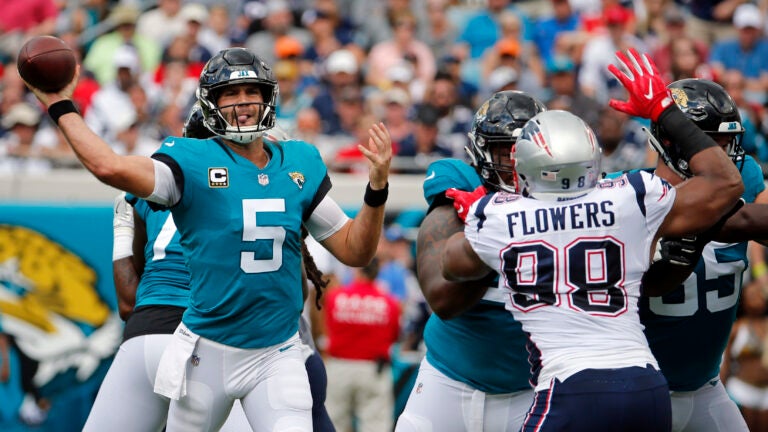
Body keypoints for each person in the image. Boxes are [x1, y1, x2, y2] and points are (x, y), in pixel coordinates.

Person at [22, 46, 392, 431]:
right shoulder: (190, 159)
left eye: (252, 91)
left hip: (276, 353)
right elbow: (108, 166)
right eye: (230, 94)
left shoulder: (299, 161)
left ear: (268, 97)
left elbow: (355, 250)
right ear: (210, 103)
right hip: (206, 350)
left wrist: (376, 189)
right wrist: (62, 105)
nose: (243, 102)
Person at [438, 49, 745, 430]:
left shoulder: (498, 215)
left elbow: (451, 264)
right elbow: (726, 183)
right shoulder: (630, 195)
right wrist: (664, 110)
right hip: (646, 383)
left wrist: (476, 216)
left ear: (525, 164)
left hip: (568, 387)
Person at [83, 105, 336, 432]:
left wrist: (121, 232)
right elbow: (293, 297)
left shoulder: (151, 191)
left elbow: (128, 303)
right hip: (215, 342)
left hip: (144, 336)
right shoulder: (256, 189)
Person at [395, 90, 546, 431]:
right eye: (504, 152)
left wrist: (502, 222)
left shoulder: (566, 201)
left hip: (530, 389)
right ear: (481, 150)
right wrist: (491, 233)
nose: (515, 165)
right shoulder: (463, 185)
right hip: (449, 379)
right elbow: (441, 298)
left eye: (523, 152)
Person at [629, 78, 768, 432]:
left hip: (706, 388)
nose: (724, 158)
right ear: (671, 144)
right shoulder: (626, 194)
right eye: (710, 144)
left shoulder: (746, 177)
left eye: (727, 143)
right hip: (642, 391)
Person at [323, 257, 401, 431]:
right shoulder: (389, 303)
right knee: (375, 425)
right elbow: (395, 336)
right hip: (373, 370)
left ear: (356, 271)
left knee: (334, 424)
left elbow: (327, 327)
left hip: (339, 367)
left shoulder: (335, 297)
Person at [721, 279, 768, 431]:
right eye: (752, 294)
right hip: (741, 392)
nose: (757, 297)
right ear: (743, 299)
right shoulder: (736, 328)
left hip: (765, 394)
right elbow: (725, 362)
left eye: (760, 293)